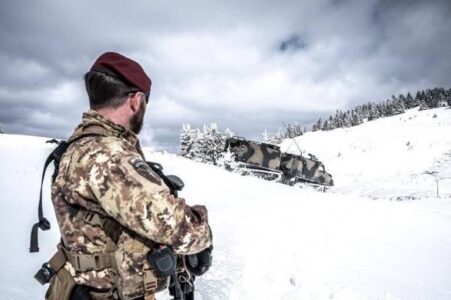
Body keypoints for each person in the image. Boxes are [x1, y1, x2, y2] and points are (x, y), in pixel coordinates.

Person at [46, 52, 212, 299]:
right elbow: (183, 229)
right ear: (136, 100)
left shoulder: (80, 145)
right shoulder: (111, 157)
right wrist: (202, 225)